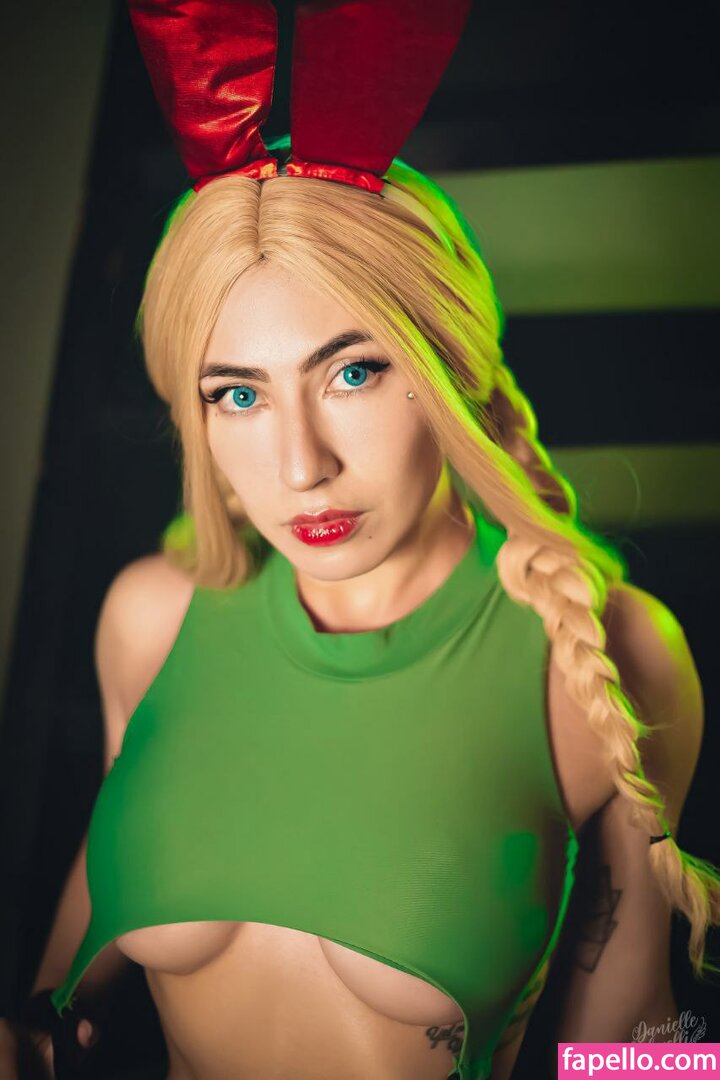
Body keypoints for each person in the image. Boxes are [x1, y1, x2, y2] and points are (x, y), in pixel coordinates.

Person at [7, 2, 719, 1078]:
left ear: (449, 363)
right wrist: (28, 1033)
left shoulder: (611, 656)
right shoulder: (147, 621)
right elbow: (75, 978)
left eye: (352, 372)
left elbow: (631, 1032)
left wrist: (700, 1065)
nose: (302, 466)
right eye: (238, 393)